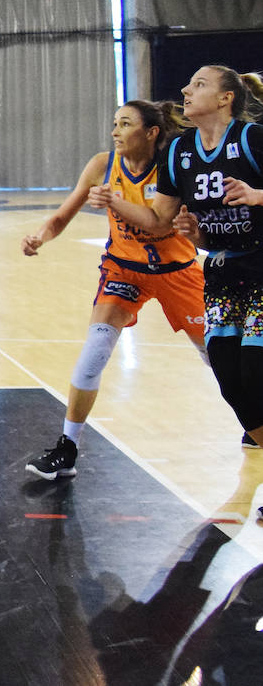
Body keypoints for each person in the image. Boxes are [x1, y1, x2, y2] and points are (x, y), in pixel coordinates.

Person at [91, 67, 263, 489]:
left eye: (199, 84)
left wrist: (259, 195)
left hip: (262, 268)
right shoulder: (179, 150)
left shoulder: (252, 139)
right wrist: (115, 200)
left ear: (225, 99)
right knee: (230, 380)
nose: (186, 89)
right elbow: (157, 220)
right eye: (187, 83)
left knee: (256, 372)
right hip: (223, 271)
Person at [23, 101, 207, 480]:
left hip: (178, 271)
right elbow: (62, 216)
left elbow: (159, 226)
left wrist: (114, 201)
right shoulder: (102, 165)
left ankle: (252, 420)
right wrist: (40, 236)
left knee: (218, 357)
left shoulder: (172, 167)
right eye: (114, 123)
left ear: (151, 132)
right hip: (124, 270)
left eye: (125, 124)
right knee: (93, 355)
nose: (115, 131)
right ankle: (67, 448)